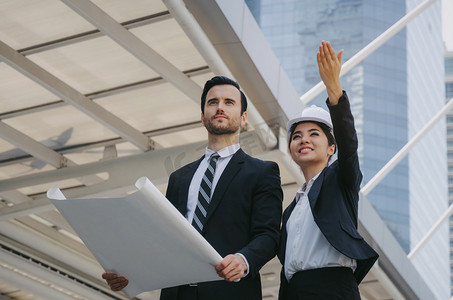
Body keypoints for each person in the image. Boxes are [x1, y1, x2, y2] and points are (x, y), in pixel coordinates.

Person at [103, 76, 283, 300]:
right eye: (212, 102)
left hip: (229, 292)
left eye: (229, 102)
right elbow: (165, 240)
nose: (220, 107)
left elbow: (268, 235)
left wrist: (244, 260)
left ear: (243, 117)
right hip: (177, 293)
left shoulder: (262, 172)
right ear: (202, 117)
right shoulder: (180, 178)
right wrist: (131, 274)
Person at [277, 41, 379, 299]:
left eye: (314, 134)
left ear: (331, 149)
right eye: (297, 136)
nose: (304, 140)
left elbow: (348, 143)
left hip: (333, 289)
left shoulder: (341, 181)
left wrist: (333, 88)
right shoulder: (291, 210)